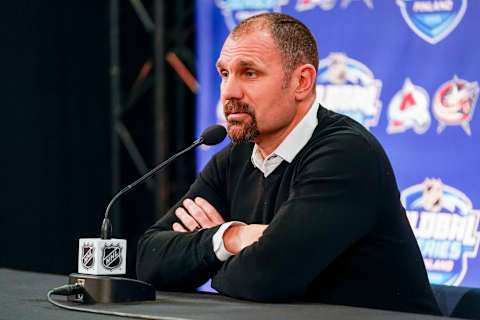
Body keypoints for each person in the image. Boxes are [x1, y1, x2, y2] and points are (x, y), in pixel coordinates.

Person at [136, 13, 440, 315]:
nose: (229, 91)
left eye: (250, 73)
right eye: (224, 73)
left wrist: (211, 257)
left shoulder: (346, 154)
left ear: (302, 82)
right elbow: (151, 263)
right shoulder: (234, 158)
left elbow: (265, 277)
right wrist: (232, 237)